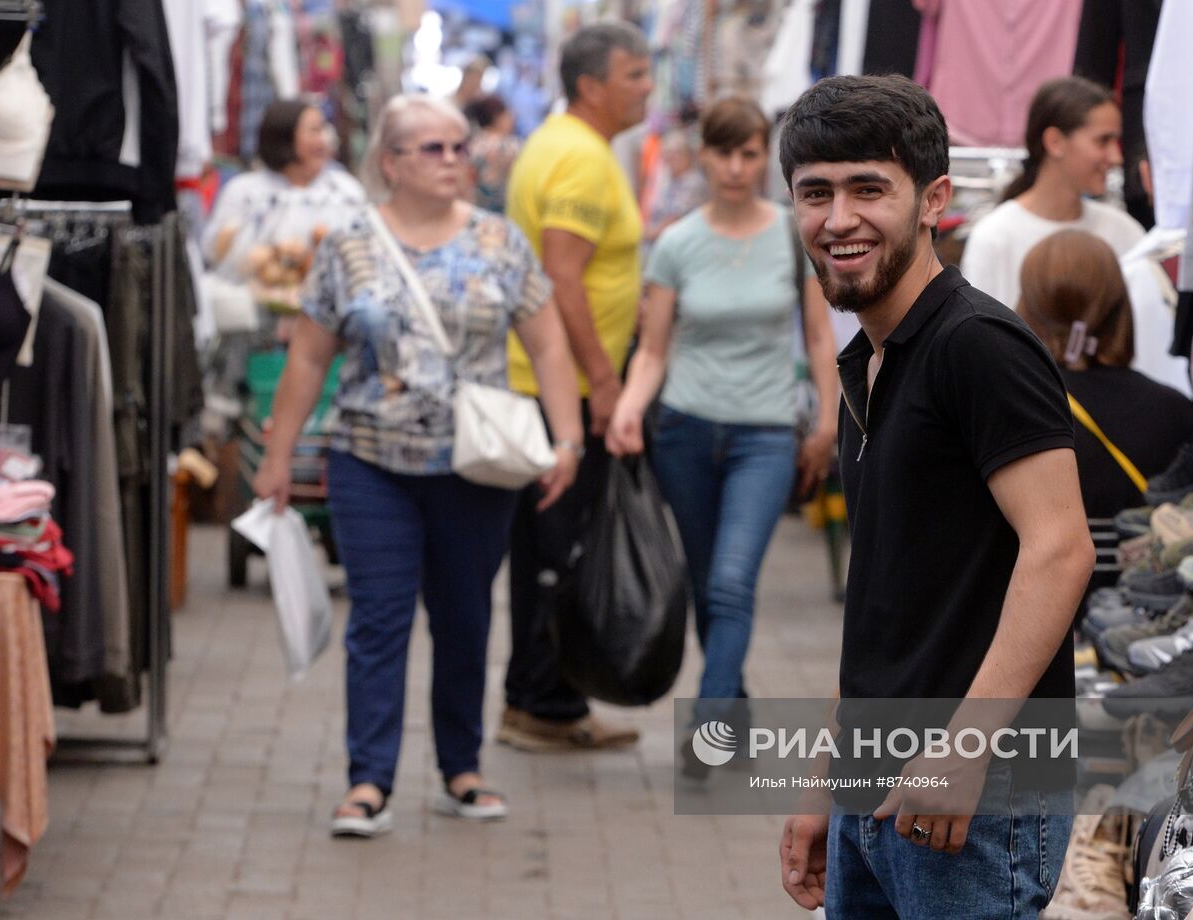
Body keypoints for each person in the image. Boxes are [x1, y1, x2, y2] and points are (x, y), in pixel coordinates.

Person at [775, 75, 1095, 918]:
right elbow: (888, 605)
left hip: (974, 797)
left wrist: (965, 749)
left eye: (867, 189)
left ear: (933, 201)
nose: (838, 219)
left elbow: (1061, 549)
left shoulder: (977, 345)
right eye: (815, 194)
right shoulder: (868, 362)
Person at [252, 93, 583, 837]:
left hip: (476, 467)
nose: (453, 160)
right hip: (370, 460)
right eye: (432, 149)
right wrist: (279, 457)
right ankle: (368, 781)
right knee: (379, 620)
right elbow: (308, 354)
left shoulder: (501, 242)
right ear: (391, 162)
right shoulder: (350, 244)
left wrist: (568, 439)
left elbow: (549, 344)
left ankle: (460, 769)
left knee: (464, 619)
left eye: (460, 147)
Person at [605, 97, 839, 771]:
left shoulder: (794, 235)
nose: (736, 168)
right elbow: (653, 349)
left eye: (749, 153)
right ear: (701, 155)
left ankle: (707, 733)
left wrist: (826, 419)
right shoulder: (677, 243)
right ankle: (729, 705)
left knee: (733, 582)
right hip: (683, 429)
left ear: (765, 156)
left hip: (763, 434)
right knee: (709, 583)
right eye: (723, 152)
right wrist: (629, 407)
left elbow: (820, 336)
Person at [498, 22, 653, 753]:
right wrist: (601, 380)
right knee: (564, 548)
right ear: (592, 86)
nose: (649, 85)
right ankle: (545, 703)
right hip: (555, 388)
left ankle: (539, 697)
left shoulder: (558, 144)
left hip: (537, 383)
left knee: (543, 546)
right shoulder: (583, 161)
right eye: (635, 73)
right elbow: (562, 276)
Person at [1017, 229, 1193, 520]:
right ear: (1119, 304)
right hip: (1146, 562)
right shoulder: (1174, 409)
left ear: (1028, 306)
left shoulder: (1013, 405)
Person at [959, 77, 1145, 311]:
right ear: (1055, 142)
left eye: (1116, 142)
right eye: (1103, 141)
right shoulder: (994, 238)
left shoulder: (1126, 233)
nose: (1116, 158)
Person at [202, 99, 365, 283]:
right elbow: (213, 254)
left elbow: (364, 258)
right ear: (284, 136)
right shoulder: (244, 192)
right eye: (314, 131)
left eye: (323, 130)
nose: (323, 140)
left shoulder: (344, 190)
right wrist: (271, 255)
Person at [642, 128, 708, 244]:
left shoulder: (693, 182)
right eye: (668, 154)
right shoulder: (670, 180)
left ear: (687, 155)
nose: (671, 159)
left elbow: (676, 218)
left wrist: (650, 232)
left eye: (676, 154)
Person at [463, 93, 522, 213]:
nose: (512, 118)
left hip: (475, 210)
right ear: (497, 117)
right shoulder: (512, 146)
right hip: (505, 210)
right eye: (508, 114)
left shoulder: (471, 144)